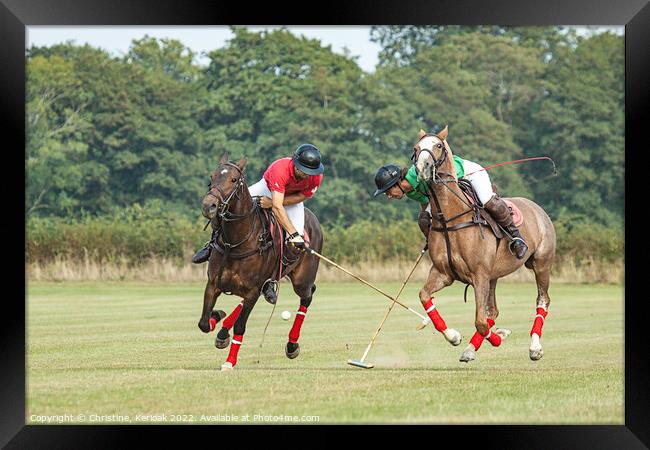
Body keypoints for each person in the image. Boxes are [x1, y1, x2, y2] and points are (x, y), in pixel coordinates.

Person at [192, 144, 324, 302]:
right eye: (303, 170)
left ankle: (271, 279)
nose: (306, 174)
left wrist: (294, 234)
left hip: (292, 200)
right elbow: (276, 206)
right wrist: (272, 203)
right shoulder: (280, 169)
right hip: (267, 189)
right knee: (228, 204)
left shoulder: (315, 175)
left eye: (309, 172)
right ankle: (211, 245)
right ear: (294, 162)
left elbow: (302, 196)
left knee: (294, 243)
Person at [373, 156, 528, 259]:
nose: (388, 195)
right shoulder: (411, 193)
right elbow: (427, 203)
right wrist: (428, 227)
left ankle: (517, 237)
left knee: (487, 201)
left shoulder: (417, 172)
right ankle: (437, 246)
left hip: (467, 174)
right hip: (446, 193)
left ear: (397, 183)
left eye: (388, 191)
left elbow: (439, 166)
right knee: (423, 218)